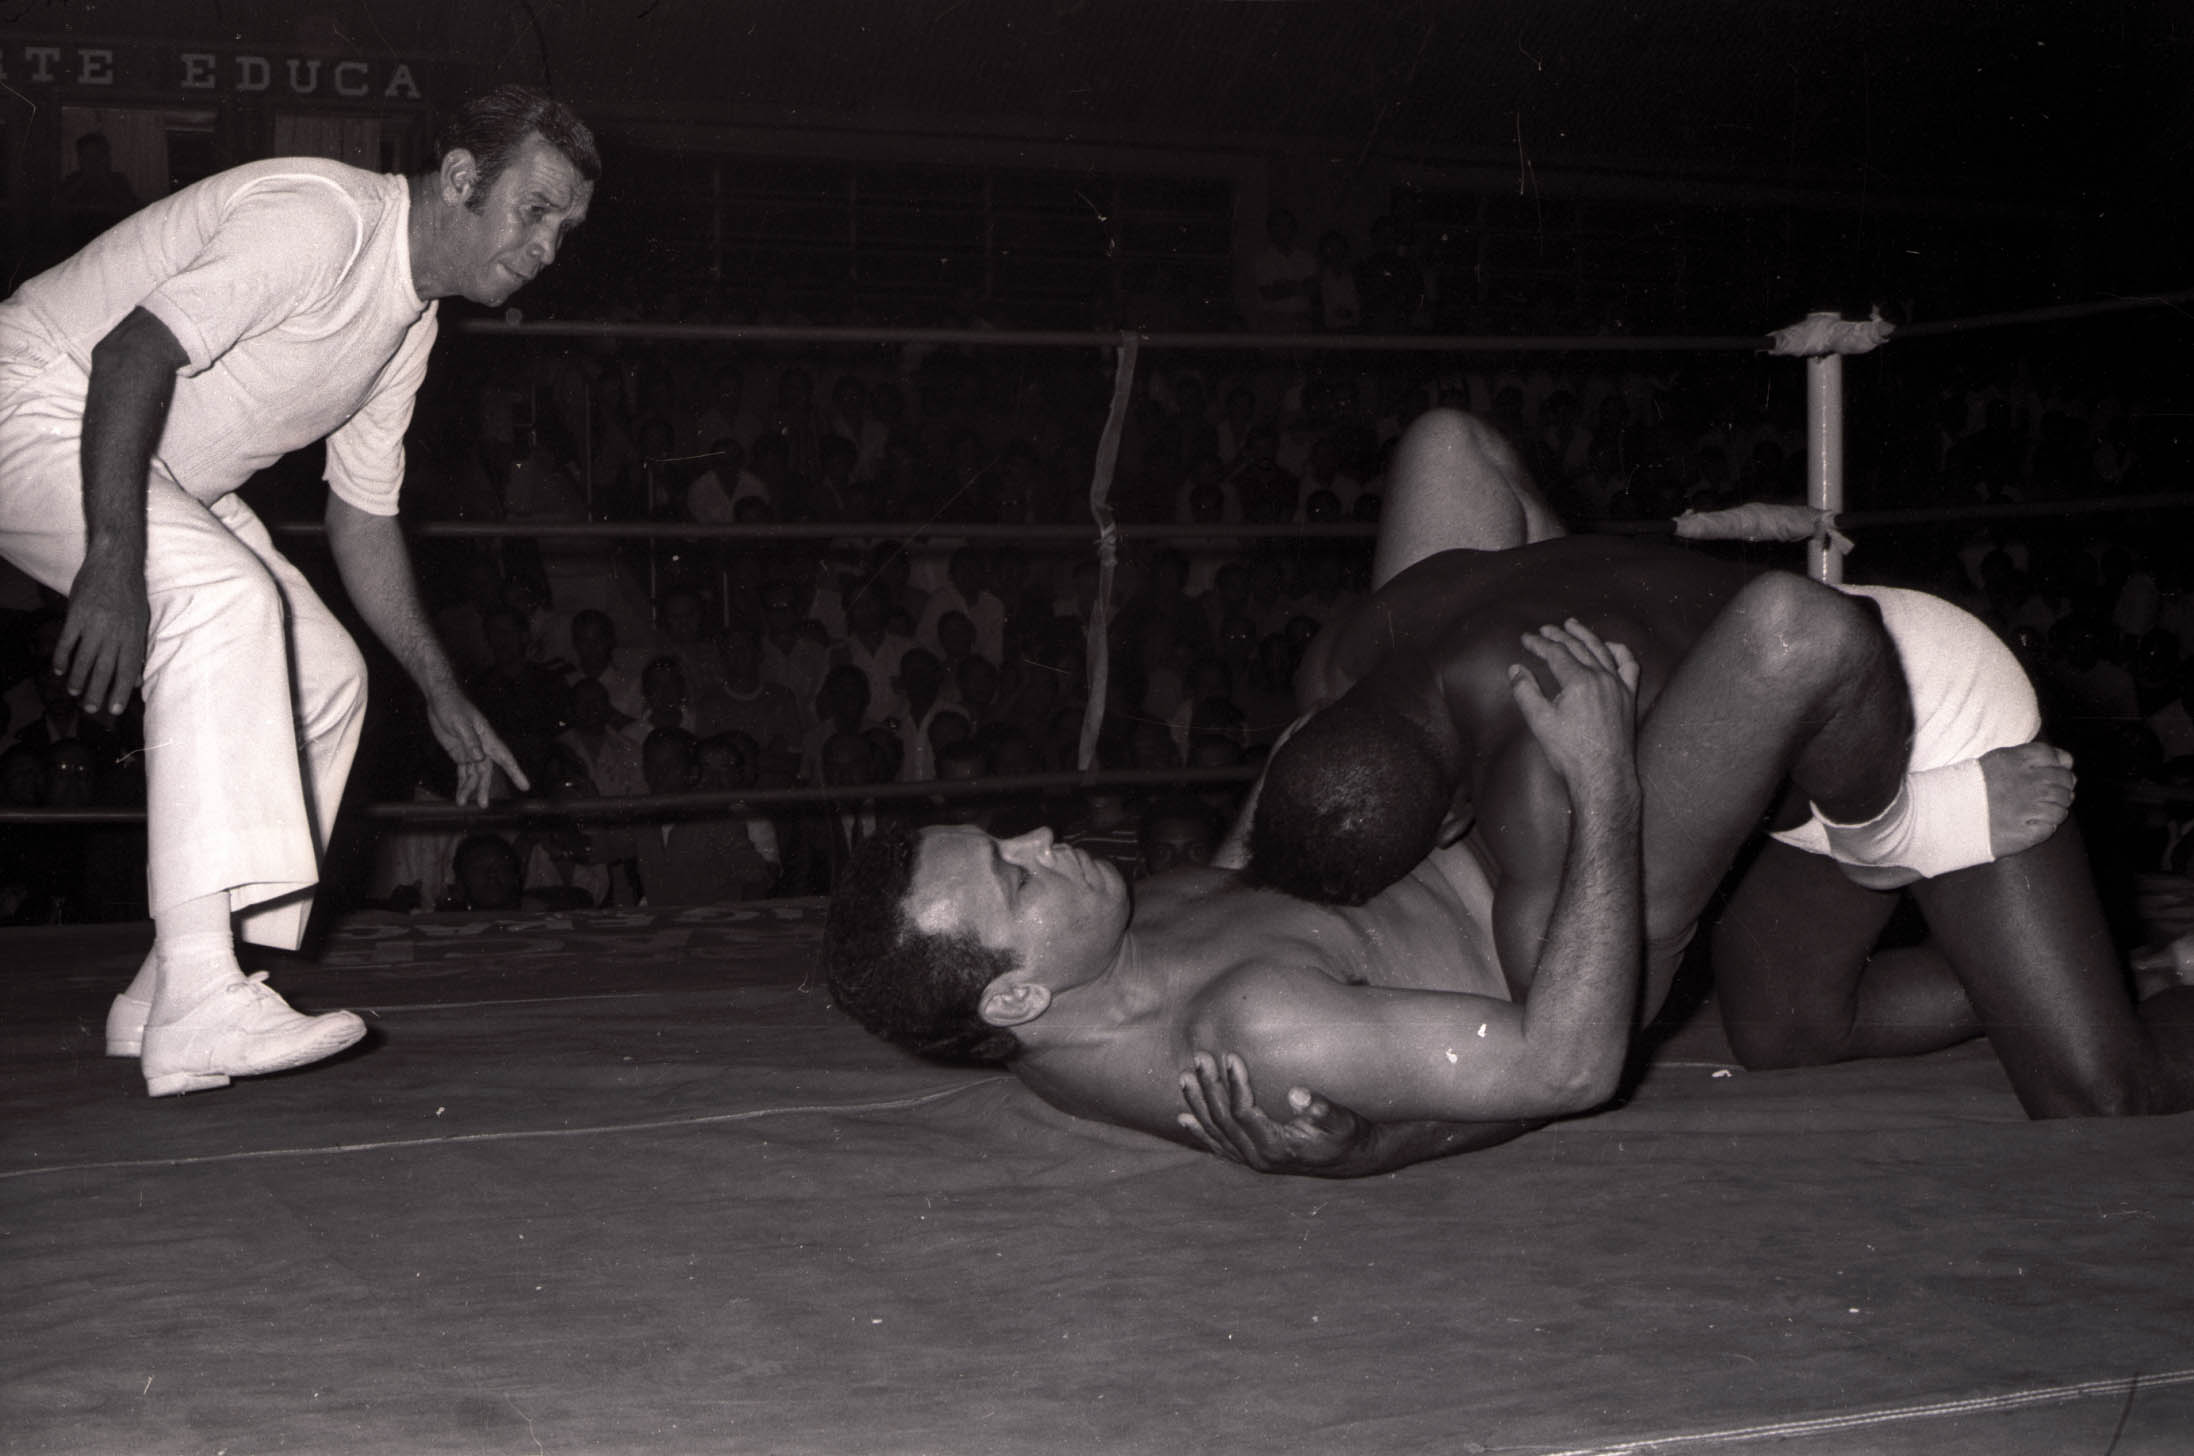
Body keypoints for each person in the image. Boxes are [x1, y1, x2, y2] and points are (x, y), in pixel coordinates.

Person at [825, 409, 2193, 1174]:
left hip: (1742, 727)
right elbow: (1564, 1062)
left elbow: (1272, 839)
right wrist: (1605, 787)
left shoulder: (1090, 956)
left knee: (1445, 457)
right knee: (1794, 1027)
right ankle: (2094, 938)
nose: (1045, 837)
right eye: (1012, 872)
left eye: (1006, 834)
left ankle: (1918, 839)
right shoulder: (1250, 1033)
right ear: (1009, 995)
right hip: (1594, 867)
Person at [0, 84, 599, 1097]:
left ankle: (166, 985)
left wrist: (441, 690)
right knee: (228, 598)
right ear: (460, 178)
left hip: (152, 466)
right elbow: (129, 351)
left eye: (566, 227)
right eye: (532, 210)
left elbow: (360, 519)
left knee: (325, 675)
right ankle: (201, 999)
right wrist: (112, 555)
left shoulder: (408, 327)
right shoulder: (322, 219)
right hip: (38, 396)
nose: (546, 245)